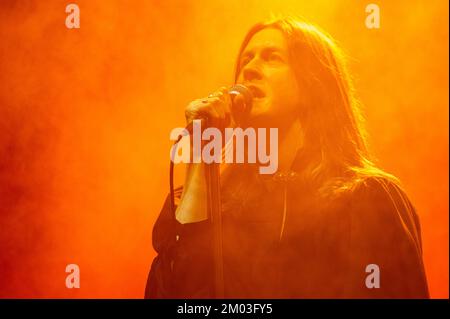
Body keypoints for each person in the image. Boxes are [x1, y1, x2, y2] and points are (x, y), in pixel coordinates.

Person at [145, 17, 429, 298]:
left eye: (272, 58)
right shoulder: (223, 206)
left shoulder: (366, 199)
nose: (250, 70)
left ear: (313, 84)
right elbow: (180, 292)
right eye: (246, 60)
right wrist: (200, 152)